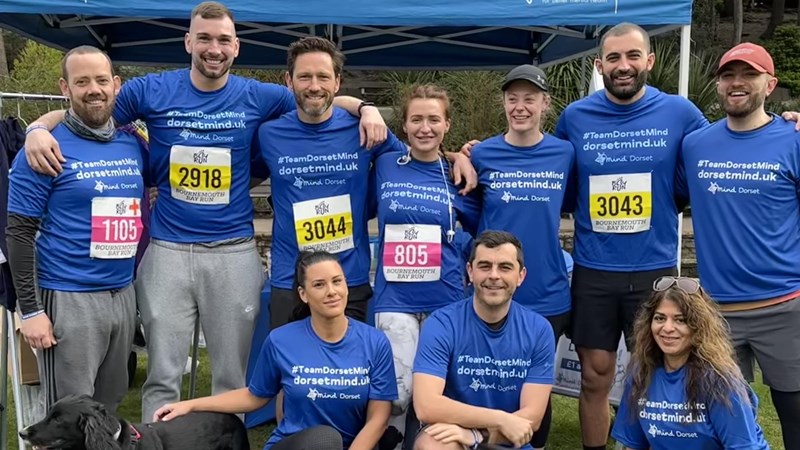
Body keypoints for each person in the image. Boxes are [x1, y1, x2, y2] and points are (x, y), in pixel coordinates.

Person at [20, 1, 390, 422]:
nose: (214, 48)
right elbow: (89, 110)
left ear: (236, 47)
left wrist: (365, 108)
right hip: (168, 251)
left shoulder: (259, 95)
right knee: (163, 375)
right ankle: (157, 444)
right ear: (188, 42)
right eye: (204, 39)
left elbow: (316, 97)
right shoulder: (150, 90)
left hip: (233, 251)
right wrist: (37, 128)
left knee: (231, 377)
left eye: (223, 40)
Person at [552, 23, 709, 450]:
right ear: (599, 65)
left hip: (654, 271)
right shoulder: (575, 117)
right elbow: (552, 172)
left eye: (633, 56)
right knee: (595, 375)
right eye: (614, 58)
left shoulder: (680, 113)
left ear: (649, 61)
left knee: (657, 374)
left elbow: (723, 146)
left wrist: (779, 123)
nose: (624, 66)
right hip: (594, 271)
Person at [260, 41, 476, 331]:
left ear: (337, 82)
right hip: (291, 279)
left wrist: (454, 157)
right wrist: (364, 106)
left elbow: (417, 155)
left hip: (348, 279)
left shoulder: (366, 129)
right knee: (289, 360)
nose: (314, 85)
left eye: (323, 76)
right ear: (289, 80)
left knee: (349, 361)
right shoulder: (268, 133)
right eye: (304, 77)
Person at [6, 45, 145, 412]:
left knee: (109, 405)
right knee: (70, 414)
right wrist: (30, 311)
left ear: (116, 84)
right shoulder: (42, 150)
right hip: (70, 296)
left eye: (101, 80)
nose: (93, 89)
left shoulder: (131, 142)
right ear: (65, 88)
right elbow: (19, 233)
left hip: (122, 292)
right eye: (82, 82)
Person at [679, 42, 800, 450]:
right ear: (718, 84)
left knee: (795, 413)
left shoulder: (793, 139)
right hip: (718, 312)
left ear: (770, 84)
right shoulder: (695, 144)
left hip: (785, 306)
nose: (737, 83)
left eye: (749, 74)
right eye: (728, 75)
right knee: (723, 418)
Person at [153, 251, 398, 450]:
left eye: (337, 281)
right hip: (296, 446)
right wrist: (190, 405)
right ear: (303, 294)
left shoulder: (374, 342)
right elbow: (254, 396)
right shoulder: (281, 341)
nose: (331, 291)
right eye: (319, 285)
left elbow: (378, 418)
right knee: (324, 439)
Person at [468, 64, 573, 450]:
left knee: (535, 386)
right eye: (512, 99)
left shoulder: (565, 153)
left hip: (547, 293)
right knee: (489, 379)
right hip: (492, 290)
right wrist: (459, 154)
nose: (520, 107)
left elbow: (575, 201)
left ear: (545, 103)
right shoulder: (482, 153)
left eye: (530, 99)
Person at [370, 84, 480, 449]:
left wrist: (459, 156)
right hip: (394, 299)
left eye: (434, 119)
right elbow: (340, 108)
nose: (425, 128)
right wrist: (367, 108)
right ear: (403, 125)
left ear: (447, 124)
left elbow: (480, 230)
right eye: (416, 119)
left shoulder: (458, 174)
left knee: (437, 394)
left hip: (444, 300)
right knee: (396, 396)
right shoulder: (386, 162)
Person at [411, 230, 555, 450]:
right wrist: (499, 419)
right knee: (432, 444)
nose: (494, 275)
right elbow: (426, 406)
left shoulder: (539, 329)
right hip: (455, 437)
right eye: (485, 266)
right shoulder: (441, 324)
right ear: (470, 271)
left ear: (521, 276)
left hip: (506, 442)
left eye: (505, 267)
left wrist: (476, 435)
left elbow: (530, 420)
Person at [611, 276, 769, 449]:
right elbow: (633, 445)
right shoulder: (641, 372)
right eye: (660, 318)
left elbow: (741, 447)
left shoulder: (721, 380)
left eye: (680, 320)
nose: (667, 328)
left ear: (699, 326)